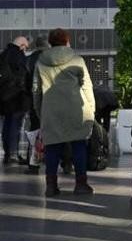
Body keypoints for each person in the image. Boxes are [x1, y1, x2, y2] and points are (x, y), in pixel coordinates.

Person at [31, 29, 95, 196]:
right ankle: (81, 185)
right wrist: (91, 110)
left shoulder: (40, 61)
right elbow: (87, 87)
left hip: (51, 110)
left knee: (52, 148)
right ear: (67, 41)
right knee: (78, 145)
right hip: (75, 109)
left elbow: (36, 90)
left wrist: (40, 111)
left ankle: (51, 186)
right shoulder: (77, 59)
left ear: (50, 42)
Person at [1, 36, 31, 165]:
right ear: (22, 45)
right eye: (26, 47)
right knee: (15, 126)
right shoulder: (18, 56)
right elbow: (23, 76)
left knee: (7, 126)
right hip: (17, 97)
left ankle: (8, 153)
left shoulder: (3, 55)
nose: (25, 50)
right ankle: (13, 154)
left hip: (4, 98)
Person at [24, 36, 49, 174]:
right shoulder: (51, 59)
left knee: (35, 132)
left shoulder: (29, 59)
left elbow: (27, 82)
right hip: (52, 100)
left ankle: (34, 164)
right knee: (58, 132)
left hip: (34, 101)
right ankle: (65, 162)